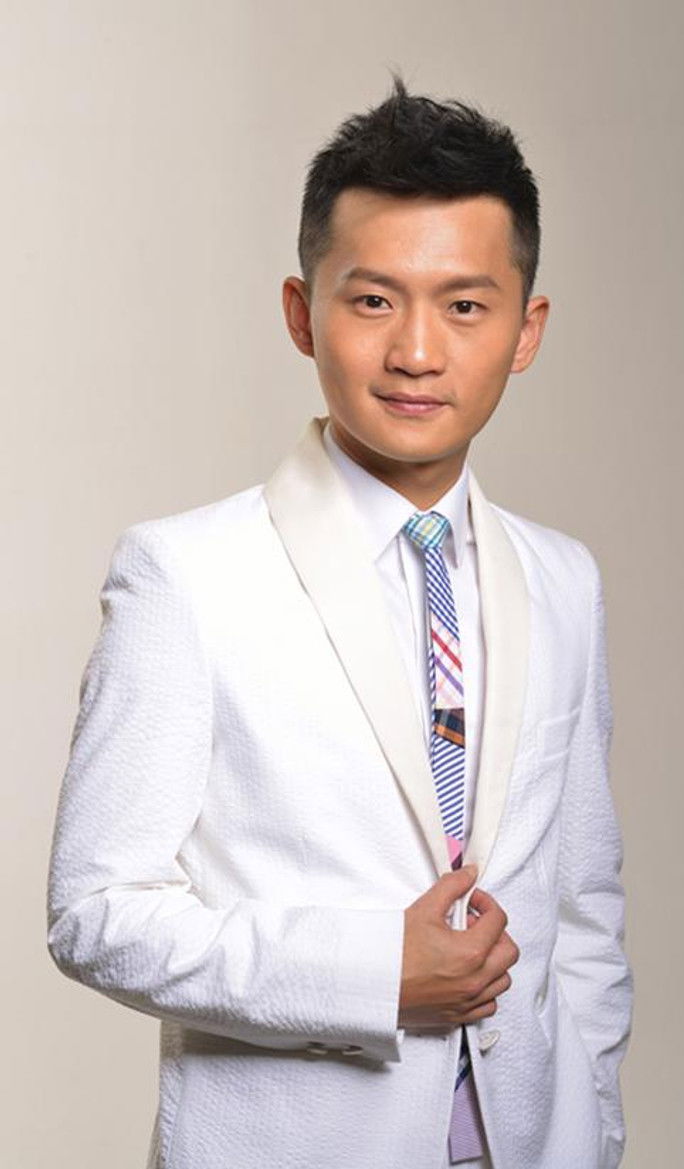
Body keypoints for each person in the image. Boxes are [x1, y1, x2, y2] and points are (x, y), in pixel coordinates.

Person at [46, 73, 633, 1169]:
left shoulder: (564, 580)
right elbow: (97, 911)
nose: (417, 350)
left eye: (466, 306)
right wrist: (373, 973)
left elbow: (583, 912)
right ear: (299, 312)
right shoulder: (187, 575)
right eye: (372, 301)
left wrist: (593, 1130)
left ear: (527, 329)